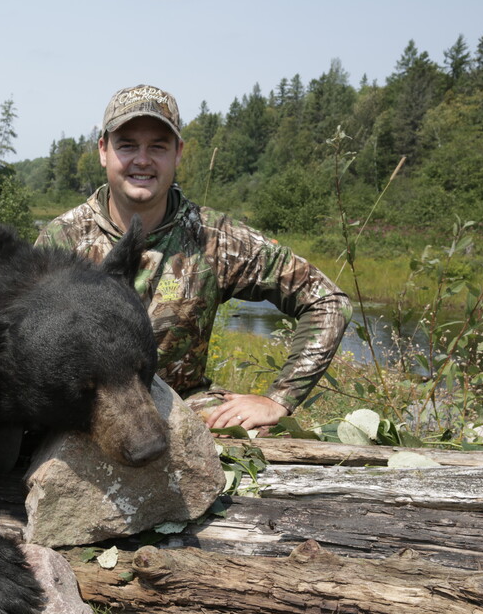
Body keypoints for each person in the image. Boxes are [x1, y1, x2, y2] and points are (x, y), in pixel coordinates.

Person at [36, 84, 351, 431]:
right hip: (85, 414)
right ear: (103, 150)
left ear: (178, 153)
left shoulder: (214, 237)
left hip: (184, 411)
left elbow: (329, 301)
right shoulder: (62, 239)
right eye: (127, 145)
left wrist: (280, 398)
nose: (142, 159)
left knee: (259, 436)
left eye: (158, 146)